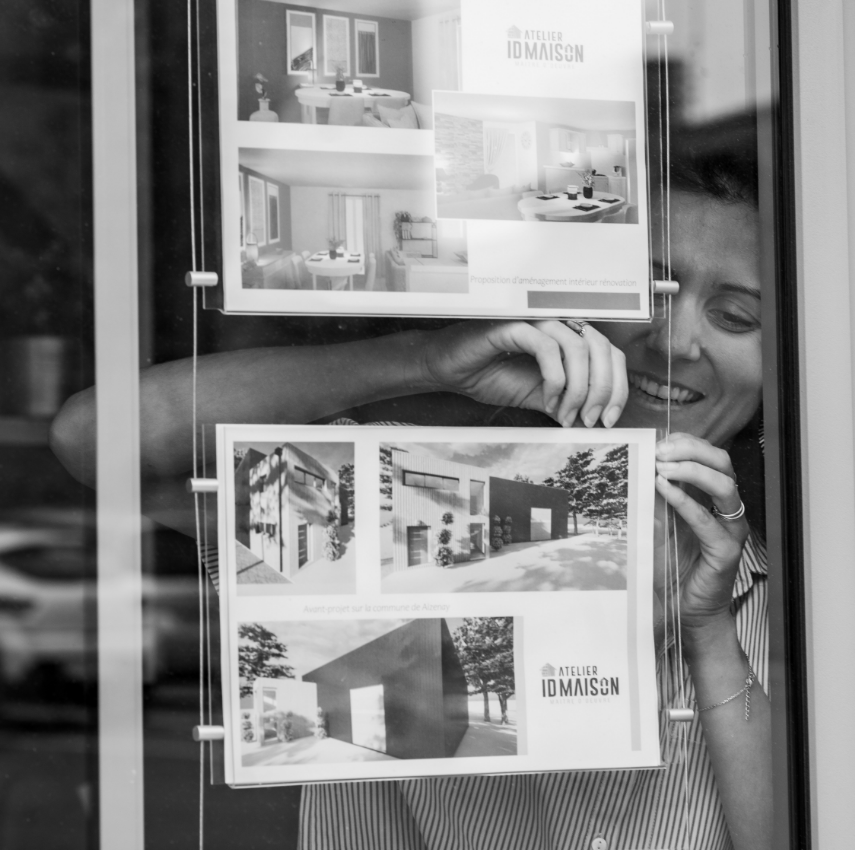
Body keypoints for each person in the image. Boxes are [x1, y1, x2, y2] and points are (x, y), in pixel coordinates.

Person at [50, 148, 771, 850]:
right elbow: (97, 442)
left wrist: (707, 632)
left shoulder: (801, 599)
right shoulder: (411, 495)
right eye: (649, 293)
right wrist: (426, 361)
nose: (674, 341)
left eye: (736, 317)